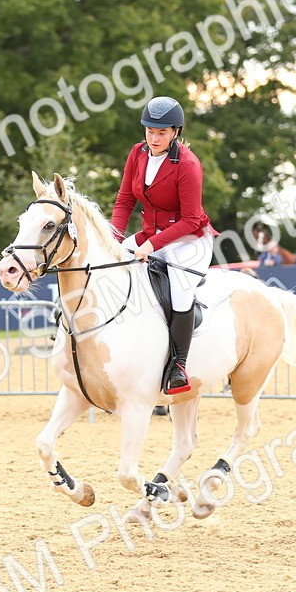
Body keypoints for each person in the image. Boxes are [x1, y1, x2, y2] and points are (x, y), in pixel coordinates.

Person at [111, 95, 216, 396]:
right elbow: (124, 200)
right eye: (150, 131)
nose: (154, 138)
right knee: (112, 268)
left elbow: (191, 219)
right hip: (149, 235)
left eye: (162, 132)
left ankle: (178, 366)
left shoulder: (188, 165)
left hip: (189, 240)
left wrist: (152, 245)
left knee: (181, 292)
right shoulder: (137, 153)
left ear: (175, 133)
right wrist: (114, 239)